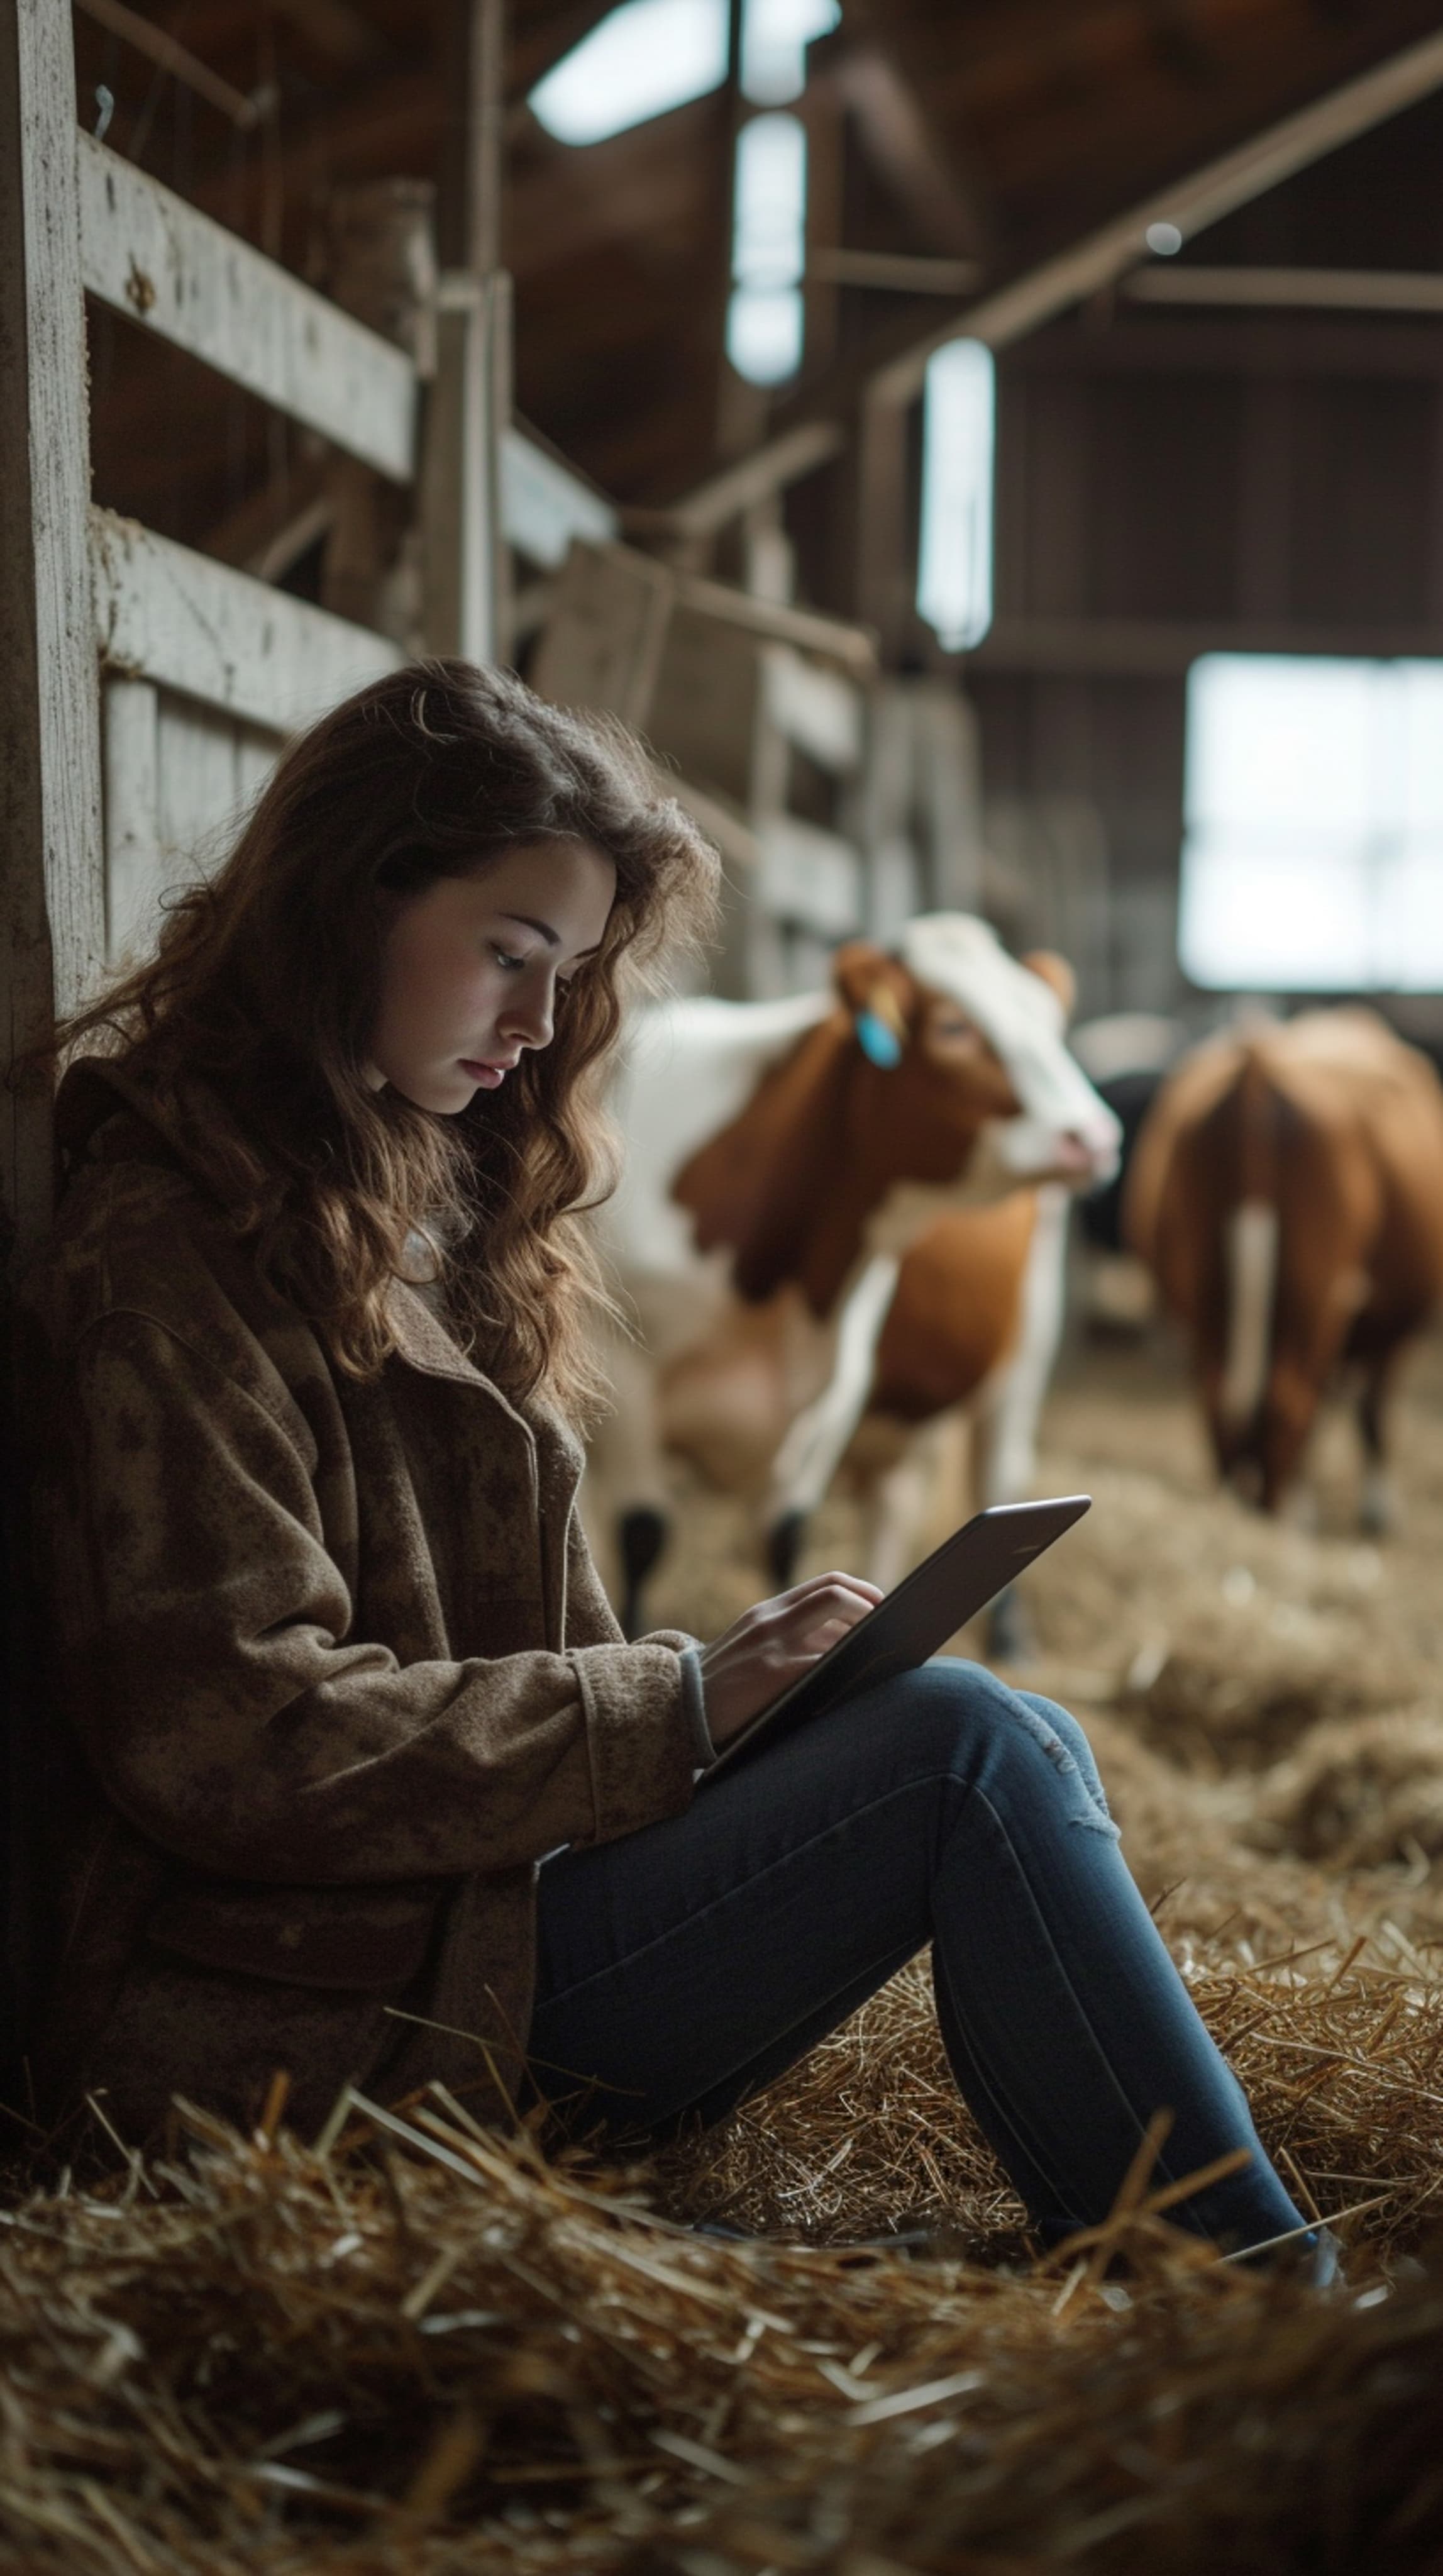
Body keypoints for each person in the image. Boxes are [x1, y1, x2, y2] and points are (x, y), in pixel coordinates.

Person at [12, 660, 1317, 2267]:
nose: (542, 1024)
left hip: (462, 1917)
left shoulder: (417, 1196)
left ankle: (1202, 2269)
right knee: (966, 1749)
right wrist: (677, 1702)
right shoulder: (164, 1250)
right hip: (304, 2014)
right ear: (347, 906)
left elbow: (517, 1662)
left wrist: (729, 1709)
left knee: (987, 1724)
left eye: (566, 973)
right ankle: (1256, 2296)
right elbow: (241, 1735)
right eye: (507, 954)